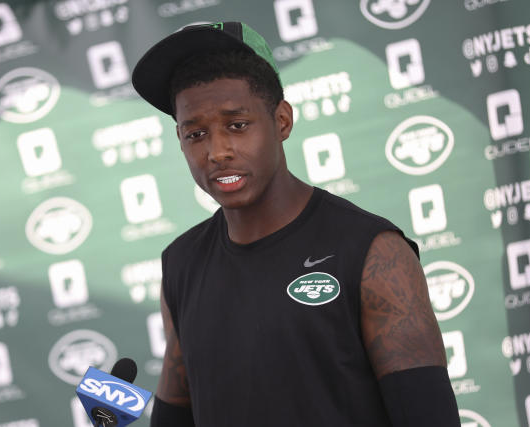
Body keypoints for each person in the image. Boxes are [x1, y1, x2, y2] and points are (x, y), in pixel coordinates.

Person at [132, 22, 459, 426]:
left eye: (237, 125)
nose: (217, 152)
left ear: (282, 121)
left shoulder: (374, 253)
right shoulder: (181, 263)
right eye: (196, 133)